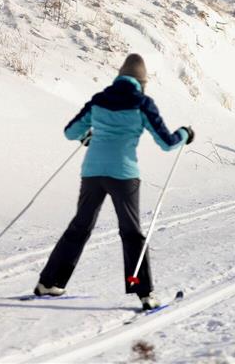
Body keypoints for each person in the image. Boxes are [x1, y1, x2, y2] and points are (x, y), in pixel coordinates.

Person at [34, 53, 194, 310]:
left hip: (92, 172)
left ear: (119, 76)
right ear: (142, 82)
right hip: (123, 174)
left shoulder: (99, 100)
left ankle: (48, 282)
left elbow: (70, 132)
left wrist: (88, 137)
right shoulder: (143, 103)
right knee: (131, 232)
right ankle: (144, 293)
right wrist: (184, 134)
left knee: (79, 227)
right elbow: (166, 143)